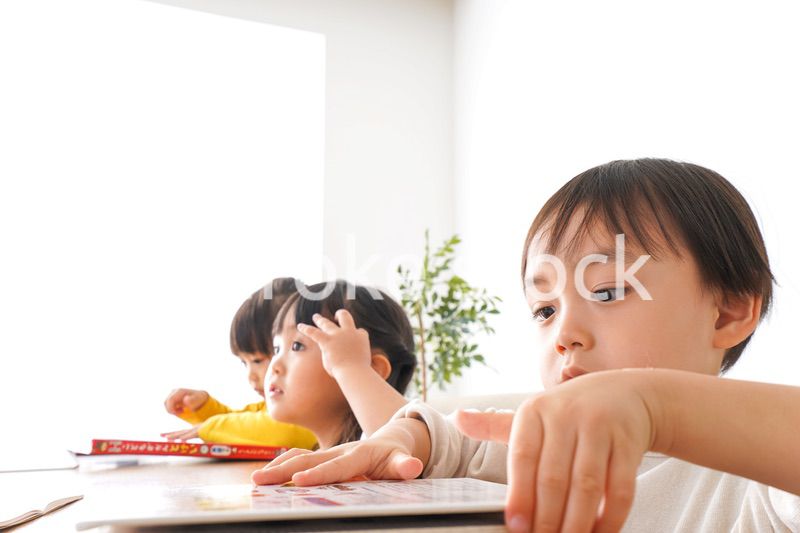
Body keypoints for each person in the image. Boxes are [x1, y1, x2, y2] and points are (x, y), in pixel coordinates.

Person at [251, 159, 800, 532]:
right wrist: (407, 434)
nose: (564, 335)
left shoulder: (754, 478)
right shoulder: (547, 444)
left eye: (607, 291)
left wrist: (656, 405)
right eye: (545, 309)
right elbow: (460, 443)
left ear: (727, 311)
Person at [162, 278, 317, 449]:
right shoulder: (276, 405)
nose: (251, 376)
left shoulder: (320, 410)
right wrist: (203, 409)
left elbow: (285, 430)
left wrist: (212, 426)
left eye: (257, 360)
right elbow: (246, 424)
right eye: (245, 363)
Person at [265, 279, 416, 450]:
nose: (274, 364)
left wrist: (354, 369)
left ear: (372, 369)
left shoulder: (377, 461)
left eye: (297, 346)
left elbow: (402, 442)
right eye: (277, 348)